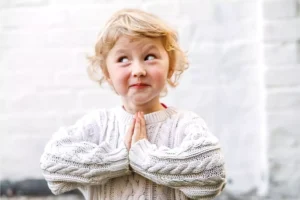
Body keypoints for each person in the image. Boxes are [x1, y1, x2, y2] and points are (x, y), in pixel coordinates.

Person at [40, 8, 226, 200]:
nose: (138, 70)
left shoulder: (184, 123)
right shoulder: (98, 124)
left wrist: (144, 158)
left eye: (150, 57)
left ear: (170, 67)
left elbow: (213, 174)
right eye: (123, 59)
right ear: (107, 73)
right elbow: (52, 164)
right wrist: (119, 159)